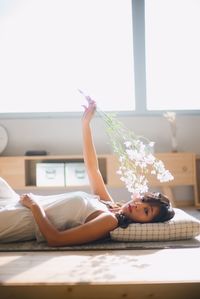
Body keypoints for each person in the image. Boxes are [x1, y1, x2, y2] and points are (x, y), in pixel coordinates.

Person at [0, 98, 175, 246]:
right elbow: (93, 168)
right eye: (143, 200)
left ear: (146, 223)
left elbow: (56, 239)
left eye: (146, 211)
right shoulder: (108, 204)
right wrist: (86, 124)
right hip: (17, 202)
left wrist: (35, 206)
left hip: (20, 219)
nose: (139, 205)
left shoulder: (109, 220)